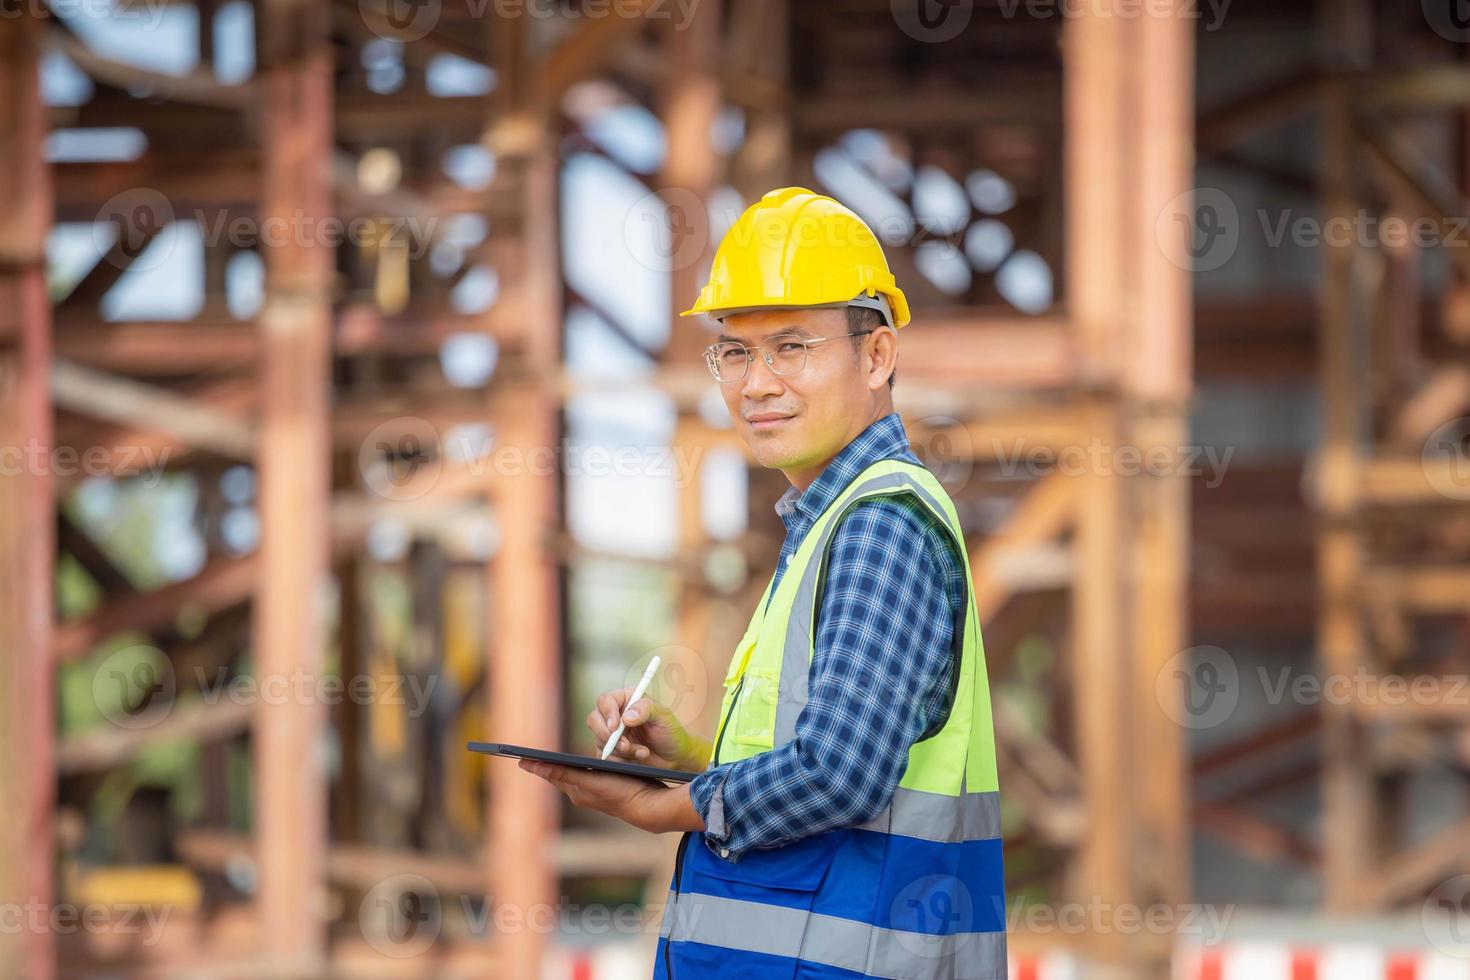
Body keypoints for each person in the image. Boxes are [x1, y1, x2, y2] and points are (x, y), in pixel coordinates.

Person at [518, 187, 1006, 978]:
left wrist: (668, 806)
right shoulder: (828, 522)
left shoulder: (879, 523)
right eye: (735, 352)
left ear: (877, 356)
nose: (756, 384)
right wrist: (692, 758)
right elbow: (833, 753)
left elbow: (838, 773)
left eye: (792, 348)